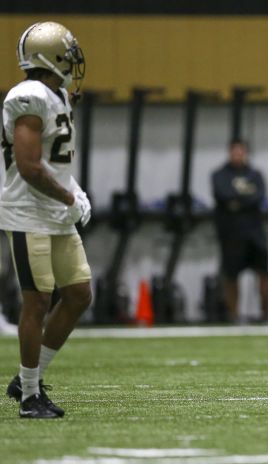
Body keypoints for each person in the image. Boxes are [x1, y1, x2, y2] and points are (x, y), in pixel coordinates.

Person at [1, 21, 91, 419]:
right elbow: (29, 166)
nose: (72, 59)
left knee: (78, 295)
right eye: (67, 51)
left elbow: (54, 163)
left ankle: (29, 379)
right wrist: (70, 197)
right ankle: (30, 398)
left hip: (55, 212)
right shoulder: (28, 97)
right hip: (28, 213)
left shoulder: (56, 95)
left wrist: (75, 191)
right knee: (36, 300)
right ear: (49, 54)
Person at [211, 139, 268, 324]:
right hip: (231, 234)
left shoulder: (255, 174)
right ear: (229, 153)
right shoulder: (220, 175)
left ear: (245, 153)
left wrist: (237, 202)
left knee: (264, 273)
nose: (238, 155)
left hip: (255, 233)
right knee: (231, 276)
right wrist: (245, 198)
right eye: (234, 152)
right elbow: (222, 195)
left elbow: (258, 197)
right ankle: (234, 315)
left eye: (241, 152)